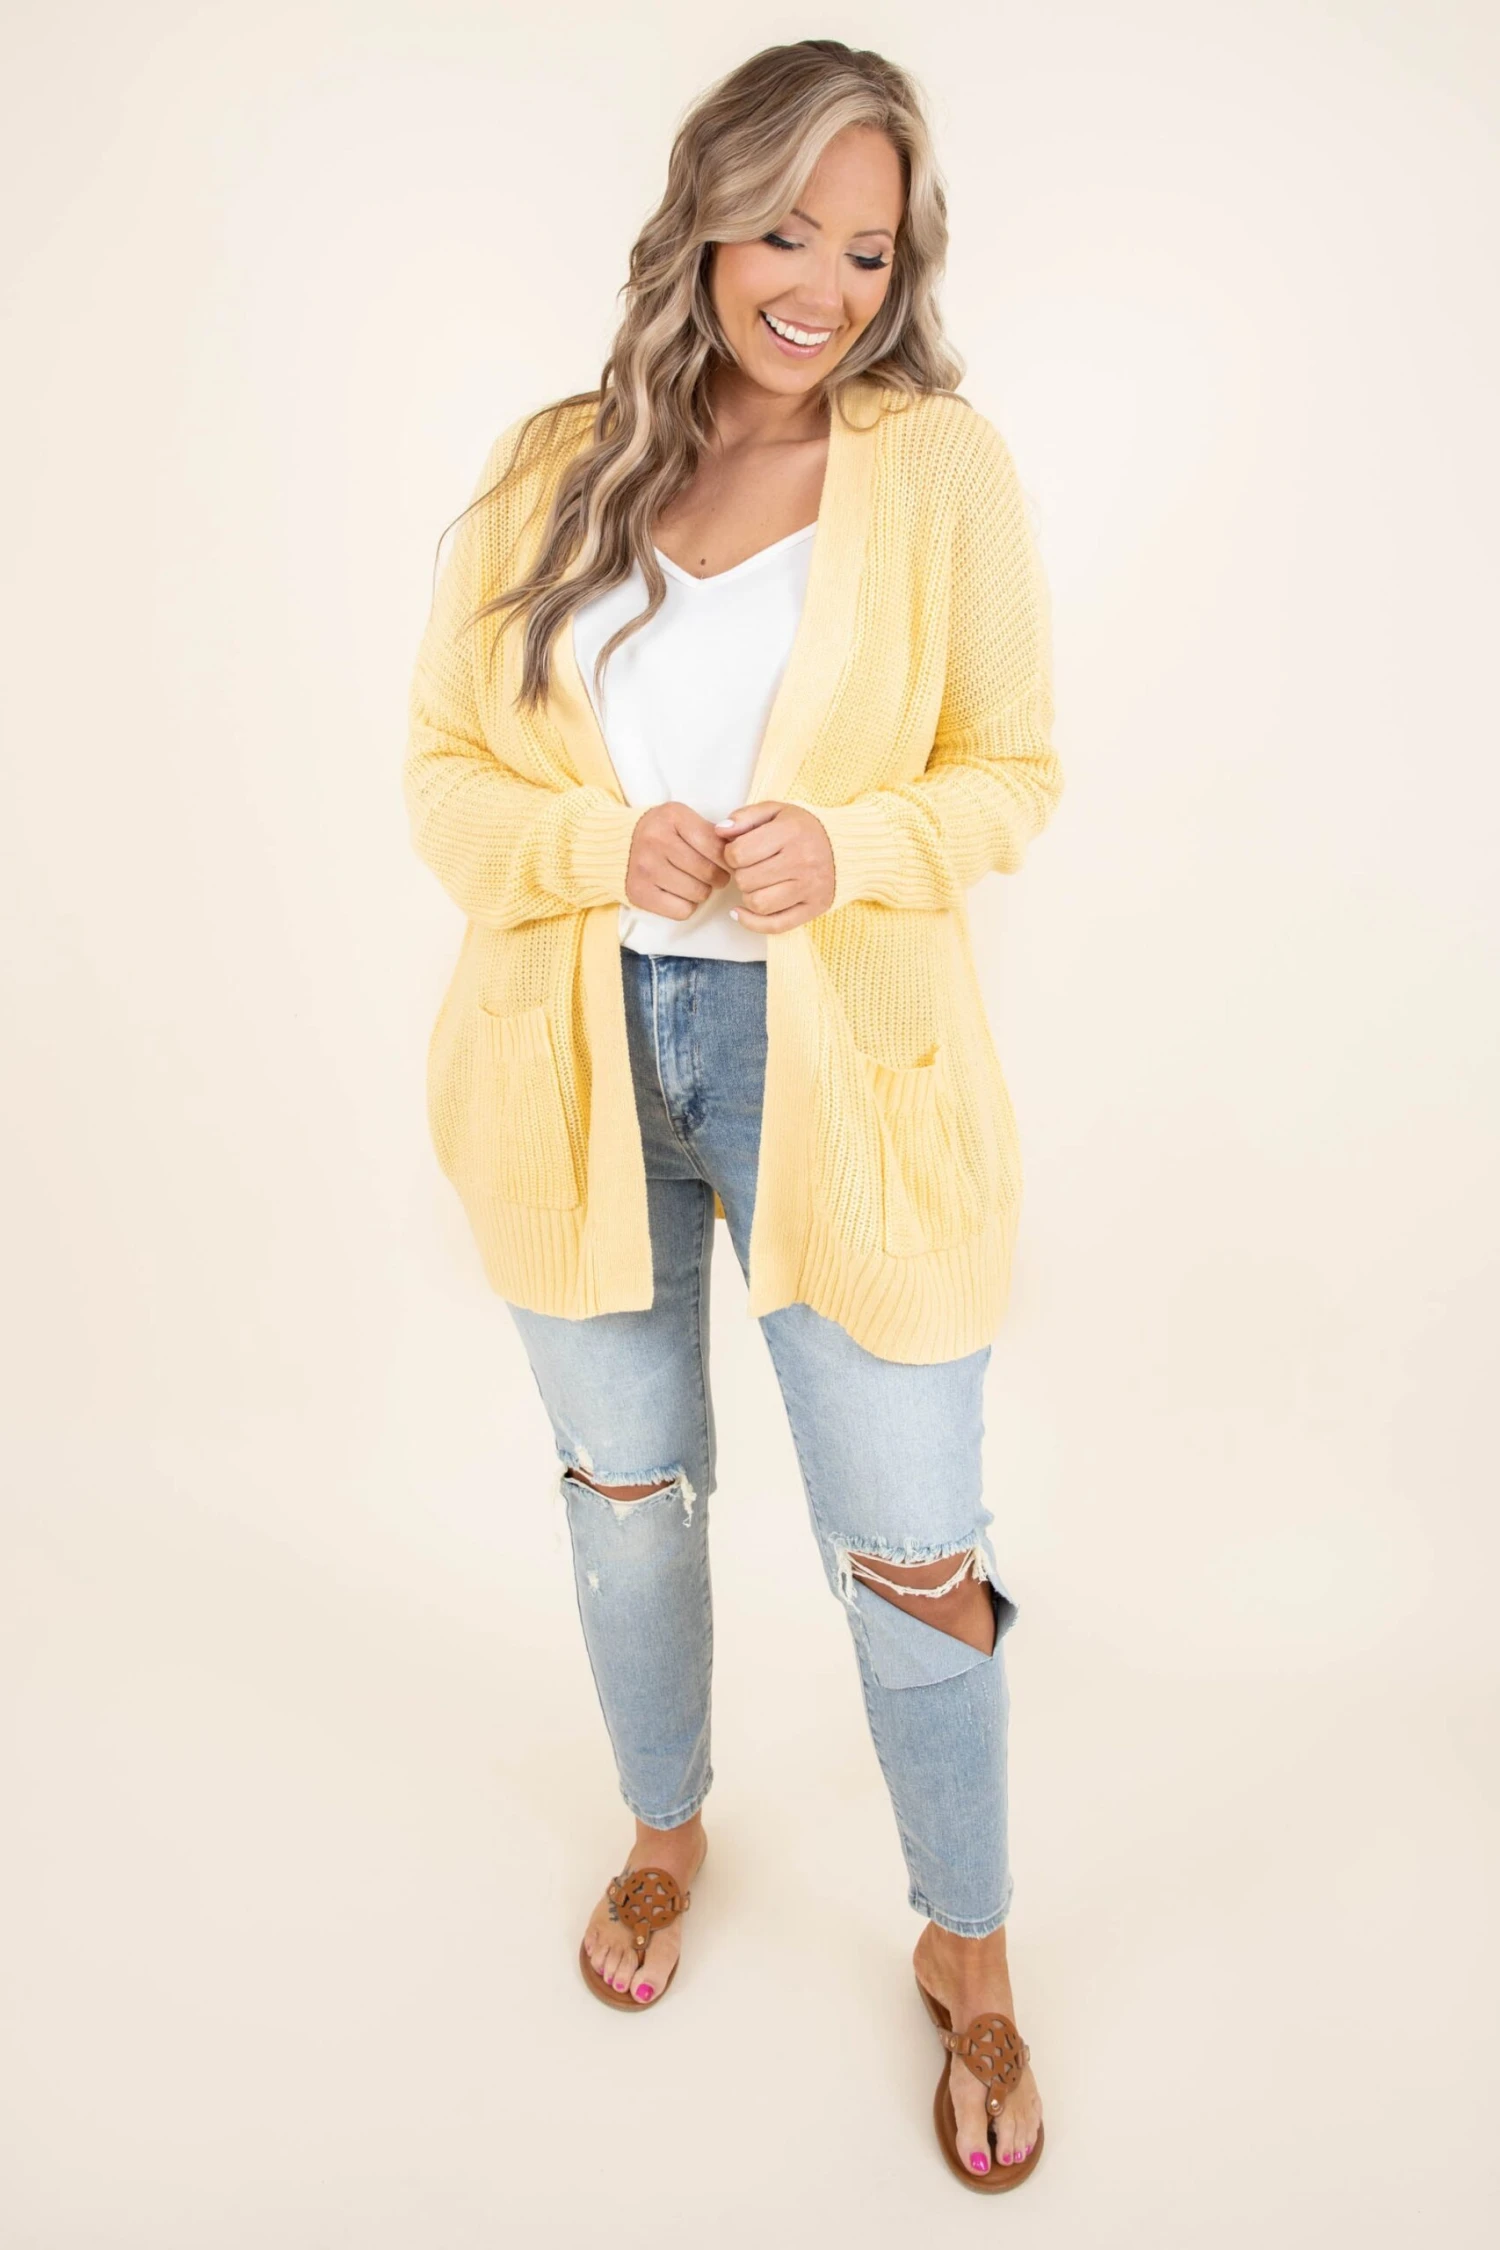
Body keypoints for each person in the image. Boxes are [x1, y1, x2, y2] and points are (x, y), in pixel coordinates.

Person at [403, 38, 1063, 2193]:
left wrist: (851, 846)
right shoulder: (551, 468)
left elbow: (1015, 771)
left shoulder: (938, 469)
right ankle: (666, 1827)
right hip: (572, 1055)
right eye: (789, 230)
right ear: (705, 218)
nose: (826, 286)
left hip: (847, 1077)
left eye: (869, 249)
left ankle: (969, 1943)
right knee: (626, 1496)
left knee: (920, 1550)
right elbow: (443, 782)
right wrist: (600, 852)